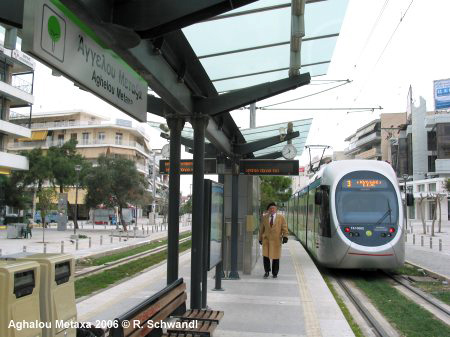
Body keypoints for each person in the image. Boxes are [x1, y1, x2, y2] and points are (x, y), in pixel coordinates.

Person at [259, 202, 288, 278]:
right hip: (266, 240)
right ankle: (267, 271)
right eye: (270, 208)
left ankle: (275, 273)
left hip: (276, 241)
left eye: (273, 208)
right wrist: (260, 239)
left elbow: (284, 227)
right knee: (265, 256)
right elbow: (261, 229)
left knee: (275, 257)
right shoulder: (264, 217)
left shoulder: (281, 217)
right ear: (268, 210)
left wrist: (285, 236)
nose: (272, 210)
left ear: (276, 209)